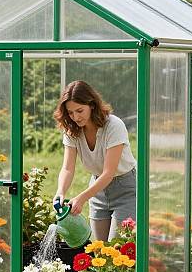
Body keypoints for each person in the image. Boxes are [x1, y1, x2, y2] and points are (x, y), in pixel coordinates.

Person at [53, 80, 136, 242]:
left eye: (79, 110)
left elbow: (109, 173)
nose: (75, 117)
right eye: (70, 113)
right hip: (98, 189)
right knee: (99, 250)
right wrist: (60, 191)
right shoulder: (72, 131)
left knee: (117, 250)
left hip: (127, 189)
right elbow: (68, 168)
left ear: (92, 105)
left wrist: (82, 198)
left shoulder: (113, 126)